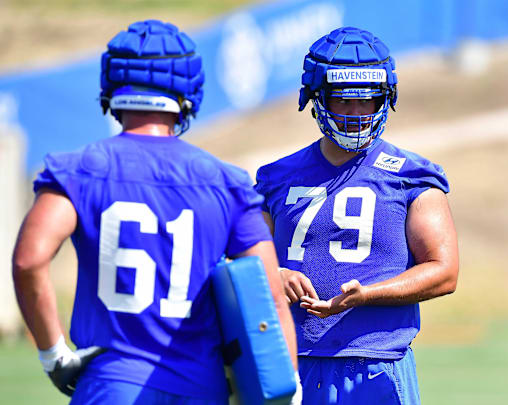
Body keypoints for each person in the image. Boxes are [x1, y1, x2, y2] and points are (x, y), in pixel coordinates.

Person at [12, 20, 297, 404]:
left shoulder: (78, 169)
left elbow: (29, 260)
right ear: (189, 87)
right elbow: (270, 294)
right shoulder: (226, 183)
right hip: (200, 388)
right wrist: (287, 393)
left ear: (111, 84)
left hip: (109, 387)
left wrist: (53, 354)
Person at [254, 26, 459, 404]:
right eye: (343, 100)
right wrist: (272, 275)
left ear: (387, 98)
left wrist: (368, 295)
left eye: (367, 100)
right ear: (314, 99)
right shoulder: (276, 177)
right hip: (288, 361)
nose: (356, 113)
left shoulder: (412, 176)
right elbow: (240, 260)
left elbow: (444, 272)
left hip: (375, 363)